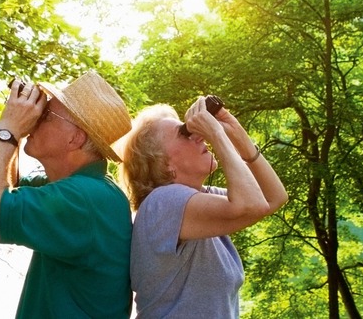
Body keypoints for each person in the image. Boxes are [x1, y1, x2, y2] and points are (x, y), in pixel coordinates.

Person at [0, 71, 133, 318]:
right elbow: (4, 187)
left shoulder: (82, 199)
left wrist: (9, 127)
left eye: (46, 115)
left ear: (75, 138)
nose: (36, 118)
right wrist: (16, 132)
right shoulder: (85, 188)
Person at [117, 97, 288, 318]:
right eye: (184, 132)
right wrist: (216, 135)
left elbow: (272, 198)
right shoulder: (163, 202)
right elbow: (251, 206)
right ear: (163, 163)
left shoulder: (198, 198)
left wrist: (236, 133)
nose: (199, 135)